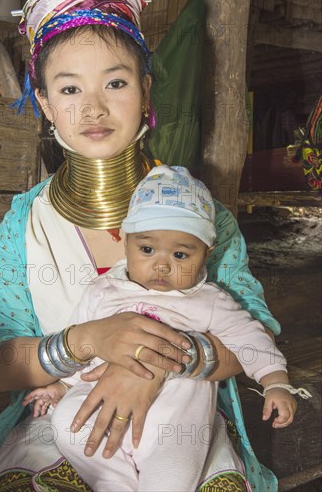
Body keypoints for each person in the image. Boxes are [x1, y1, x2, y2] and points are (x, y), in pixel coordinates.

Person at [0, 0, 282, 492]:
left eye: (115, 82)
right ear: (43, 103)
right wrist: (87, 340)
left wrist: (153, 364)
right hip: (64, 417)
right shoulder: (27, 224)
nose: (93, 107)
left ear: (146, 88)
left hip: (182, 419)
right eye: (68, 88)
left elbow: (254, 335)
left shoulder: (201, 216)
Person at [22, 165, 303, 492]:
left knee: (173, 476)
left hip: (175, 423)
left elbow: (250, 337)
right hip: (104, 404)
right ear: (125, 242)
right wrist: (61, 387)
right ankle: (114, 483)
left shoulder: (210, 300)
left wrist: (275, 382)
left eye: (181, 254)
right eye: (147, 249)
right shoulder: (104, 291)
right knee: (67, 422)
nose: (162, 264)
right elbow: (85, 343)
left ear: (206, 254)